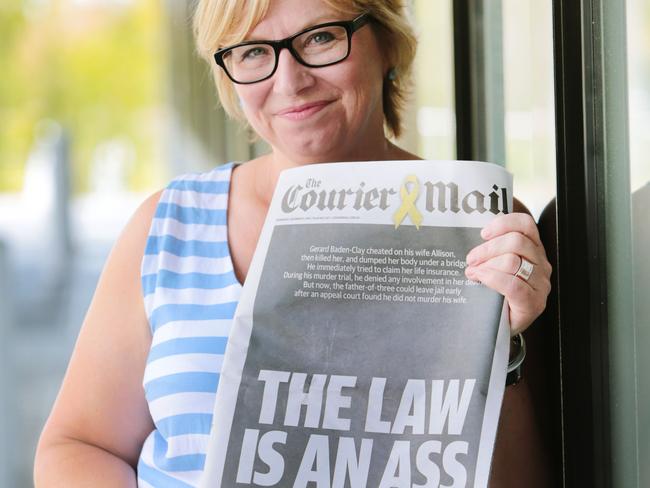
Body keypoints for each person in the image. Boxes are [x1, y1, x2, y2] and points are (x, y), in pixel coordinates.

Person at [34, 0, 552, 486]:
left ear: (388, 43)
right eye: (254, 51)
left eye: (322, 37)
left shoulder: (483, 225)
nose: (291, 81)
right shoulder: (172, 225)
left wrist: (503, 350)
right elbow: (76, 444)